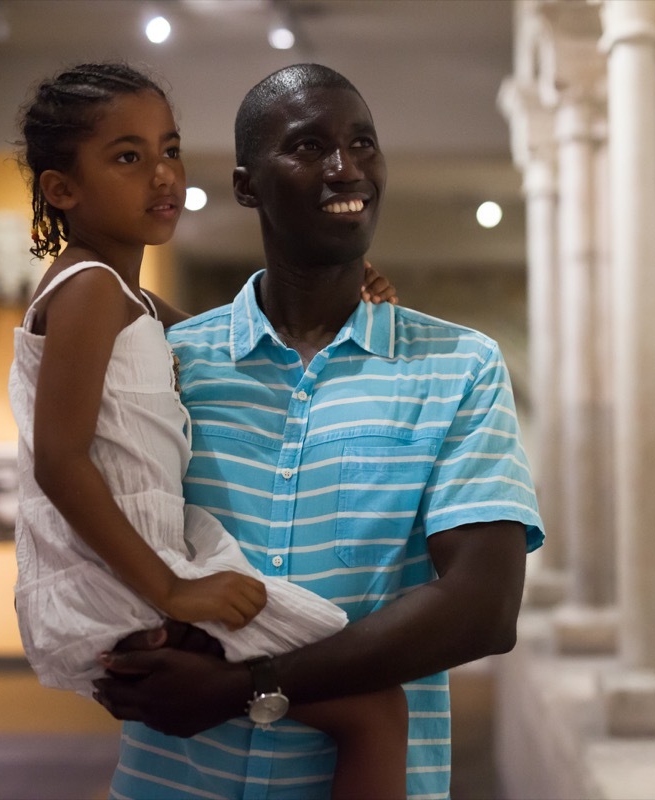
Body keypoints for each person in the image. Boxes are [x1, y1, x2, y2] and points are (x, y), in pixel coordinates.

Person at [92, 63, 545, 799]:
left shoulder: (459, 367)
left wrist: (247, 686)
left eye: (363, 144)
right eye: (309, 148)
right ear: (247, 185)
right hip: (174, 780)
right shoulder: (170, 365)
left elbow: (483, 610)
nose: (346, 169)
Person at [7, 62, 407, 799]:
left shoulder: (123, 296)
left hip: (127, 571)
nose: (162, 175)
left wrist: (349, 287)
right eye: (128, 157)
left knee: (351, 691)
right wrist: (173, 589)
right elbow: (59, 462)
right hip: (127, 578)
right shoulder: (90, 289)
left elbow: (215, 337)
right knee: (374, 702)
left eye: (169, 148)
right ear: (62, 190)